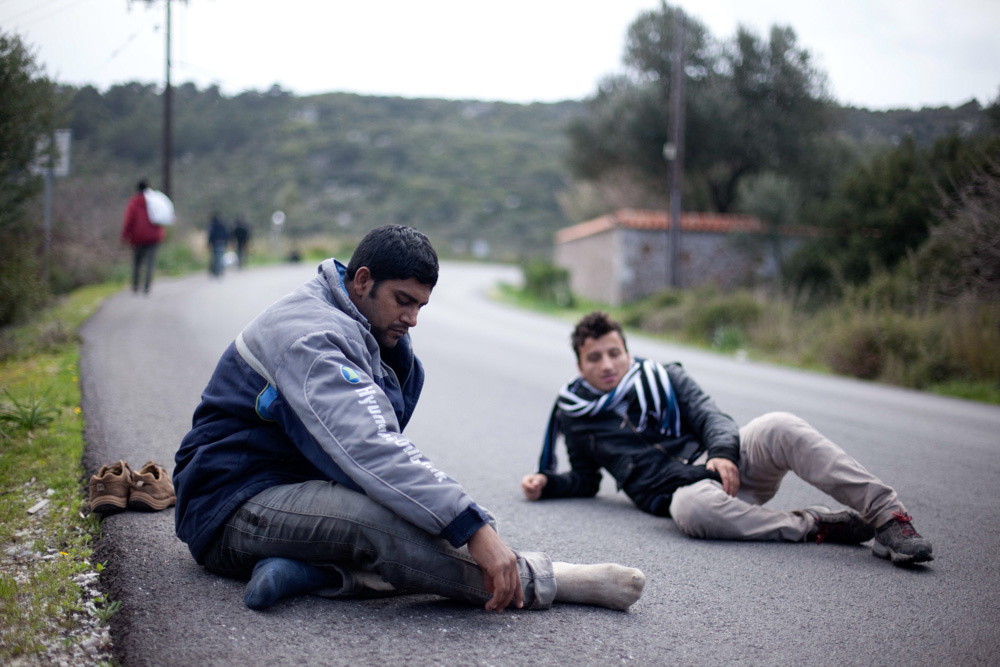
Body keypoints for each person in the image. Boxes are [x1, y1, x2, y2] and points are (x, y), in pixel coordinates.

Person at [174, 226, 645, 613]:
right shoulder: (311, 339)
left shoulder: (360, 322)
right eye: (403, 300)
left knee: (414, 506)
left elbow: (379, 446)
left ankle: (319, 573)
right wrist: (474, 528)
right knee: (380, 522)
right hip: (229, 507)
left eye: (420, 305)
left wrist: (451, 517)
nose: (413, 318)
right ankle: (542, 579)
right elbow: (371, 447)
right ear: (362, 280)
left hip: (291, 484)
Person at [521, 311, 934, 566]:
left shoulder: (666, 377)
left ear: (627, 352)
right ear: (579, 364)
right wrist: (549, 483)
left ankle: (888, 518)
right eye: (594, 357)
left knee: (778, 424)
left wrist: (721, 453)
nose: (607, 364)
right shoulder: (576, 417)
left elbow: (710, 415)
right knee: (691, 507)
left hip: (730, 466)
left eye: (614, 352)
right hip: (690, 495)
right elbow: (586, 479)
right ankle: (814, 525)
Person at [120, 179, 165, 294]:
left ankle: (135, 286)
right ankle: (147, 287)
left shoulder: (134, 202)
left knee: (137, 263)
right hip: (153, 237)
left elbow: (129, 220)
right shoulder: (154, 200)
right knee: (150, 263)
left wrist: (125, 236)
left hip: (138, 237)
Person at [208, 214, 229, 278]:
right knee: (220, 257)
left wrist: (209, 243)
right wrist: (226, 242)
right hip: (222, 243)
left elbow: (211, 235)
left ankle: (216, 271)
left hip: (215, 243)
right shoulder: (223, 225)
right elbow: (226, 234)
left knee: (215, 258)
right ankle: (220, 270)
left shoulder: (212, 226)